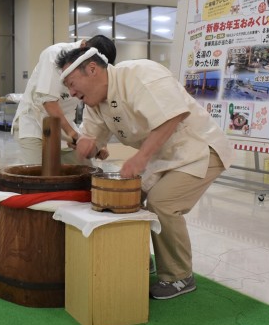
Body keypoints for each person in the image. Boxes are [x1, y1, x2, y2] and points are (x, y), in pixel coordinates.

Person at [56, 47, 234, 300]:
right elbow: (93, 138)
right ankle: (139, 259)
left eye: (72, 84)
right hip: (162, 155)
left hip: (199, 147)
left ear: (92, 69)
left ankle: (179, 277)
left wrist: (140, 157)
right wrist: (88, 145)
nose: (72, 93)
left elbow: (173, 115)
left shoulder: (139, 73)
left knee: (162, 204)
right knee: (125, 197)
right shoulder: (94, 104)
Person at [11, 35, 116, 165]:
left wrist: (98, 143)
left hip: (65, 125)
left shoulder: (94, 67)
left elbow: (95, 106)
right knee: (37, 175)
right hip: (35, 122)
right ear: (83, 47)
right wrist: (74, 135)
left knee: (86, 171)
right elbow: (48, 102)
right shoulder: (54, 54)